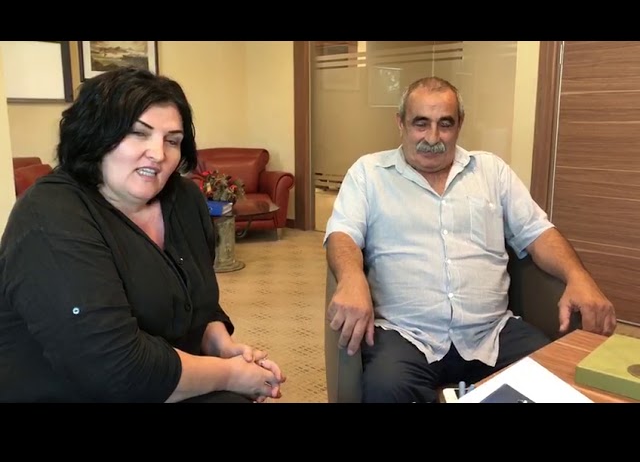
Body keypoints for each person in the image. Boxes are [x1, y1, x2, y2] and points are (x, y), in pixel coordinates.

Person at [0, 67, 286, 403]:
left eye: (172, 140)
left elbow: (198, 303)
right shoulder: (49, 215)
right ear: (95, 135)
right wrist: (231, 374)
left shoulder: (184, 199)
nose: (159, 154)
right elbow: (113, 368)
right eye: (138, 133)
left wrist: (222, 346)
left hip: (167, 378)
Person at [324, 76, 616, 403]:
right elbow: (343, 233)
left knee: (552, 377)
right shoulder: (369, 173)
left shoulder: (491, 171)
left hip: (491, 332)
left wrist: (579, 275)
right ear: (400, 123)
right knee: (385, 387)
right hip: (406, 334)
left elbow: (537, 232)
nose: (432, 138)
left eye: (445, 124)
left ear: (459, 124)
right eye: (421, 123)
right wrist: (350, 277)